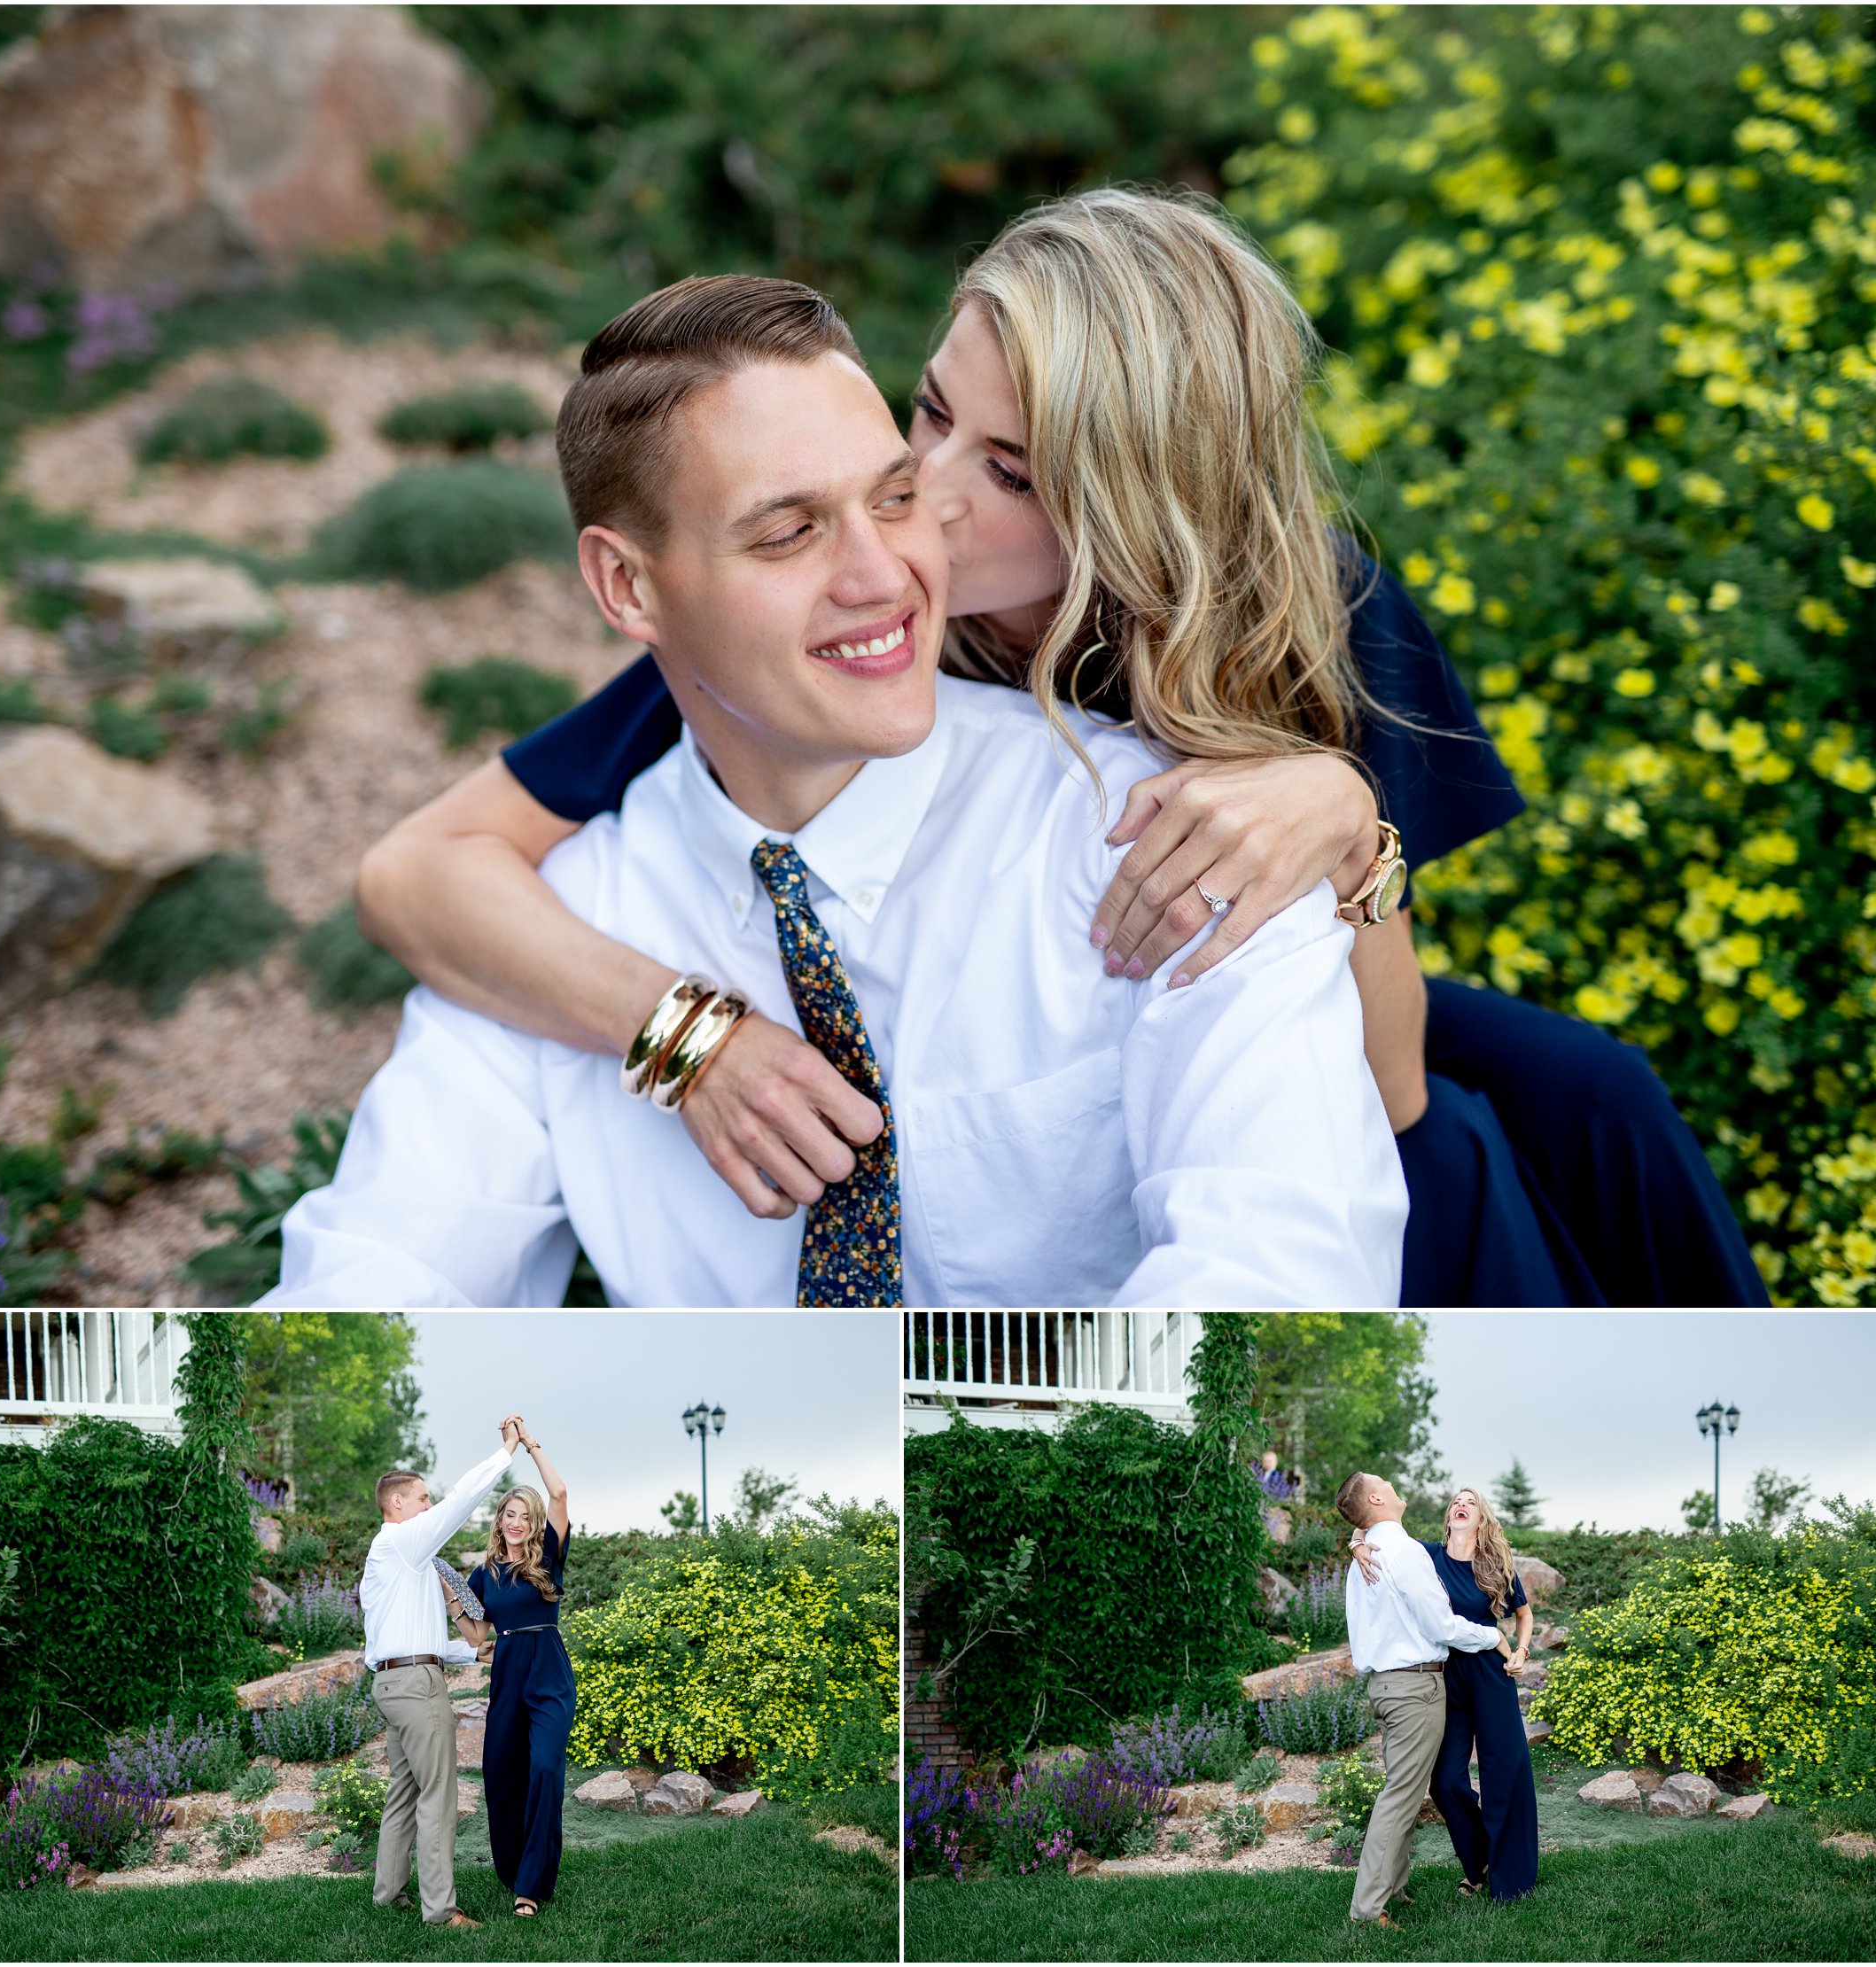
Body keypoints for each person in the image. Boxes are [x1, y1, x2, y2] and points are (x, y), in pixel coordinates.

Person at [356, 186, 1768, 1310]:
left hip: (1301, 986)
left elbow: (1381, 1079)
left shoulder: (1305, 601)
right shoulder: (809, 644)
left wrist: (1344, 815)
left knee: (1578, 1096)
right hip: (1154, 986)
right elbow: (420, 877)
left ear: (1144, 500)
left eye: (1013, 471)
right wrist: (686, 1033)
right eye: (930, 415)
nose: (930, 503)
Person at [261, 273, 1405, 1307]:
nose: (889, 574)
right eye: (788, 532)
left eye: (893, 498)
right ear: (628, 585)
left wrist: (1349, 816)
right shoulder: (548, 936)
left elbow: (1282, 1274)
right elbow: (380, 1277)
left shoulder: (1164, 840)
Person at [1335, 1469, 1518, 1930]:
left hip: (1386, 1686)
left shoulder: (1367, 1556)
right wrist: (1492, 1636)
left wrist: (1355, 1539)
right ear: (1378, 1498)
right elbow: (1441, 1626)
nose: (1395, 1485)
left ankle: (1393, 1887)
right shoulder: (1403, 1551)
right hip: (1415, 1687)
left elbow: (1361, 1524)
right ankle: (1367, 1908)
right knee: (1401, 1795)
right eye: (1385, 1484)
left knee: (1404, 1787)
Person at [362, 1416, 525, 1932]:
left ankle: (388, 1894)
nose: (429, 1506)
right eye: (421, 1498)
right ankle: (440, 1910)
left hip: (393, 1683)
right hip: (417, 1690)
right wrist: (506, 1453)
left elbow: (404, 1640)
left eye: (428, 1500)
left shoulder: (391, 1559)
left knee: (404, 1793)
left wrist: (466, 1655)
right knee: (438, 1798)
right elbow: (459, 1503)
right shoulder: (402, 1542)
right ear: (398, 1506)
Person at [444, 1427, 574, 1918]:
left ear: (535, 1522)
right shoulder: (484, 1572)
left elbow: (559, 1493)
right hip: (507, 1677)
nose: (517, 1522)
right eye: (509, 1514)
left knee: (544, 1769)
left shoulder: (549, 1558)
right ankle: (514, 1868)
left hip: (549, 1676)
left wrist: (527, 1446)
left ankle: (532, 1887)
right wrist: (453, 1595)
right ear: (499, 1520)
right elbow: (478, 1637)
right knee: (500, 1778)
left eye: (525, 1515)